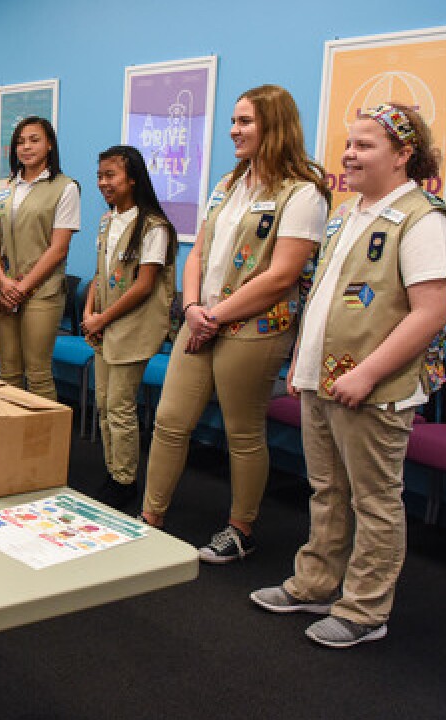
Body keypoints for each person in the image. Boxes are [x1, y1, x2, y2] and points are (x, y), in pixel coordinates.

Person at [250, 103, 446, 648]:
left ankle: (366, 610)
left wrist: (366, 374)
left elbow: (431, 313)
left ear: (403, 154)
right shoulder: (348, 214)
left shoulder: (426, 218)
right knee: (326, 490)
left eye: (364, 145)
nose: (348, 154)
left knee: (374, 501)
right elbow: (320, 296)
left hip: (375, 389)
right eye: (349, 144)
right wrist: (301, 360)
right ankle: (316, 582)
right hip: (323, 380)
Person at [140, 84, 330, 563]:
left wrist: (215, 316)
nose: (233, 130)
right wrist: (190, 309)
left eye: (245, 121)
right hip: (201, 318)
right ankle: (150, 519)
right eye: (233, 121)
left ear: (275, 125)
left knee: (243, 432)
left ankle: (240, 529)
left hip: (255, 328)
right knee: (169, 421)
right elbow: (198, 252)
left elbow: (282, 275)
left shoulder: (302, 193)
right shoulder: (228, 184)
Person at [82, 146, 177, 510]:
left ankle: (125, 481)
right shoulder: (108, 221)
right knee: (104, 404)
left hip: (130, 327)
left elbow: (143, 285)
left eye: (111, 175)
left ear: (133, 178)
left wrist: (102, 319)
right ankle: (112, 471)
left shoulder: (153, 227)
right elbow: (99, 275)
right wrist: (90, 312)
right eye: (100, 175)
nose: (103, 183)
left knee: (120, 406)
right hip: (104, 325)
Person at [0, 115, 80, 399]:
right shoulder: (4, 187)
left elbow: (59, 248)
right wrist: (3, 282)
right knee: (8, 372)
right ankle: (12, 440)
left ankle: (43, 442)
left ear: (49, 144)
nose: (26, 147)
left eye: (34, 140)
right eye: (20, 142)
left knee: (37, 373)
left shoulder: (65, 187)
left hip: (42, 293)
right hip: (3, 289)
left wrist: (21, 289)